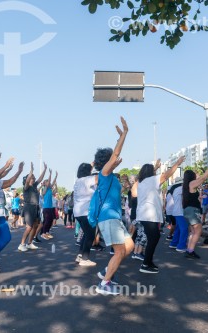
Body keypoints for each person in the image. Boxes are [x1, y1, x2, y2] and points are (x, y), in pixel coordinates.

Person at [89, 117, 133, 296]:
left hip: (115, 217)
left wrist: (119, 138)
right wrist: (124, 134)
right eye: (111, 158)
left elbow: (114, 156)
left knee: (128, 247)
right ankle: (104, 283)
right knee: (120, 250)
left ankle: (107, 270)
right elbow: (114, 155)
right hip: (108, 217)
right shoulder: (104, 173)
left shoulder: (112, 177)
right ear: (106, 162)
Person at [136, 156, 185, 273]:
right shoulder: (152, 180)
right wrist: (177, 163)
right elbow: (167, 175)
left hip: (144, 215)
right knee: (154, 238)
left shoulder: (142, 182)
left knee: (154, 238)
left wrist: (156, 167)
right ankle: (145, 264)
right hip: (149, 215)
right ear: (151, 173)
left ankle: (148, 261)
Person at [182, 159, 208, 259]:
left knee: (193, 232)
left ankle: (189, 249)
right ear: (191, 176)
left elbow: (191, 198)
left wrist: (199, 198)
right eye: (195, 175)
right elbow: (204, 177)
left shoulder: (187, 185)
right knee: (198, 231)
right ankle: (190, 251)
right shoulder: (192, 183)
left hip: (188, 210)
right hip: (192, 211)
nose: (197, 176)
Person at [18, 162, 47, 252]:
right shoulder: (26, 187)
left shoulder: (34, 186)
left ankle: (30, 243)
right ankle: (22, 244)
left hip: (36, 207)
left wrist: (45, 169)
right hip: (29, 208)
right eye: (32, 177)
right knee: (29, 227)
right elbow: (27, 181)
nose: (33, 179)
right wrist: (31, 171)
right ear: (28, 179)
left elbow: (40, 178)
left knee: (35, 226)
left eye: (34, 177)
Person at [73, 163, 98, 266]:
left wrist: (91, 164)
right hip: (85, 211)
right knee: (90, 235)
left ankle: (80, 255)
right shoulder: (89, 179)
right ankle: (85, 258)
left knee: (86, 234)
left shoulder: (78, 181)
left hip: (78, 212)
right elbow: (101, 176)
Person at [40, 169, 57, 240]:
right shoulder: (45, 188)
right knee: (47, 221)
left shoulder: (49, 189)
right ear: (45, 183)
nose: (49, 183)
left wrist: (56, 176)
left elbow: (52, 184)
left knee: (50, 221)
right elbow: (49, 182)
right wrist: (50, 174)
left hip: (50, 207)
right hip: (46, 208)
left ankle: (47, 232)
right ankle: (43, 233)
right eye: (47, 182)